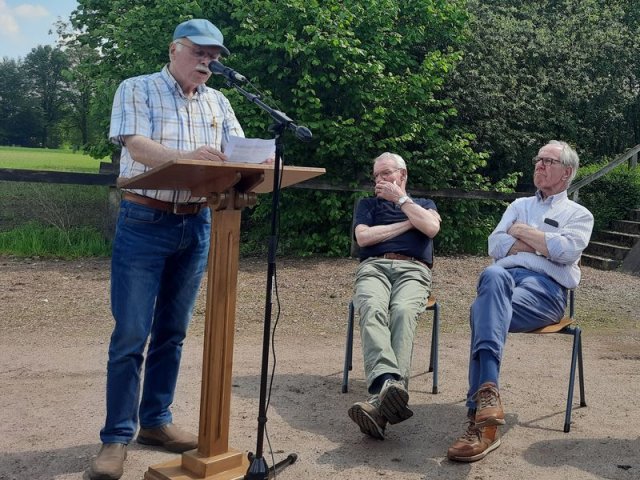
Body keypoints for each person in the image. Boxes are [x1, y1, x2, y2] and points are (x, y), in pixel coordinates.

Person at [89, 19, 249, 480]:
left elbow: (234, 151)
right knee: (131, 334)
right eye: (200, 53)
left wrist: (250, 160)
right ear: (175, 49)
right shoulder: (136, 88)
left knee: (172, 332)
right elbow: (136, 145)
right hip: (144, 220)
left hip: (199, 223)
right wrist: (188, 161)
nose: (208, 62)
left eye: (214, 56)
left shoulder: (220, 101)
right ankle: (115, 438)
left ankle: (155, 422)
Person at [447, 140, 594, 462]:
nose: (539, 165)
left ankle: (479, 419)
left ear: (567, 172)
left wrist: (523, 234)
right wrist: (544, 246)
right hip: (502, 283)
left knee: (481, 309)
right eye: (538, 159)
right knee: (493, 275)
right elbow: (495, 245)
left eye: (548, 161)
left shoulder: (578, 214)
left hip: (545, 293)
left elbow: (569, 253)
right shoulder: (518, 204)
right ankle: (487, 400)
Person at [347, 152, 441, 440]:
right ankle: (390, 383)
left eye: (386, 173)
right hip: (373, 267)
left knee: (401, 310)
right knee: (372, 306)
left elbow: (431, 227)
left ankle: (379, 403)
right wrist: (407, 224)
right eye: (376, 176)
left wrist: (401, 201)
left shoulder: (423, 204)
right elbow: (363, 238)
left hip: (413, 269)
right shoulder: (368, 205)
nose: (380, 180)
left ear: (403, 175)